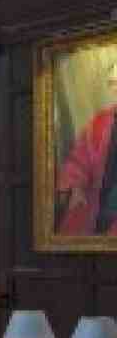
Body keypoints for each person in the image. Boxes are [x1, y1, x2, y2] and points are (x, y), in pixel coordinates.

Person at [56, 58, 117, 237]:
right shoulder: (100, 121)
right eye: (112, 83)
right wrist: (74, 184)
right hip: (99, 204)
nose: (115, 88)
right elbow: (78, 161)